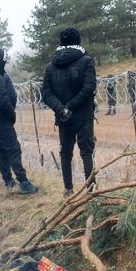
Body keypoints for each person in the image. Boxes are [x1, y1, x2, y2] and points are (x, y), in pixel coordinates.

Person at [42, 27, 96, 197]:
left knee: (65, 153)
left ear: (61, 42)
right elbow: (89, 87)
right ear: (78, 41)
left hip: (63, 117)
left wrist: (61, 108)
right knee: (86, 153)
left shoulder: (51, 66)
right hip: (83, 115)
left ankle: (68, 190)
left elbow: (46, 93)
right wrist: (71, 106)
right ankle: (91, 190)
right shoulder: (86, 60)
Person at [0, 48, 38, 194]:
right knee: (13, 150)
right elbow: (3, 101)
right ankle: (23, 182)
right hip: (2, 122)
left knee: (1, 152)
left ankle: (8, 181)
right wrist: (12, 115)